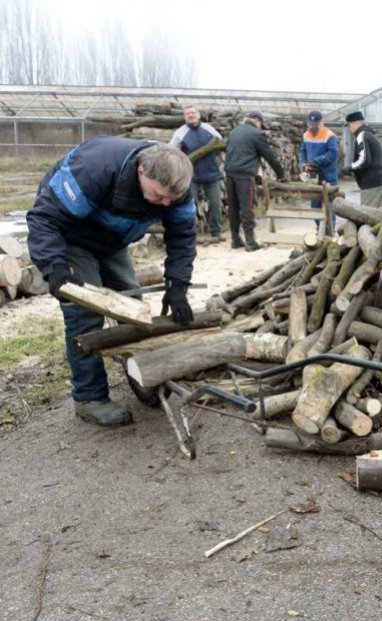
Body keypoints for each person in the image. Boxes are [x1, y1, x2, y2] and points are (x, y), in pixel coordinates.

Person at [26, 138, 198, 426]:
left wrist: (178, 285)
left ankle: (141, 373)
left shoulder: (176, 187)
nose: (167, 203)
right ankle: (89, 397)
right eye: (159, 196)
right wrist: (55, 268)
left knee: (133, 306)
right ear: (142, 171)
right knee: (85, 312)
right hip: (71, 236)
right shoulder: (96, 169)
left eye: (172, 198)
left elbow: (182, 236)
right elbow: (44, 219)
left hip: (113, 240)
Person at [223, 110, 286, 251]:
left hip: (229, 172)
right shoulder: (257, 134)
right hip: (244, 175)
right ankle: (250, 241)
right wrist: (281, 175)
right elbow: (270, 157)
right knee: (247, 207)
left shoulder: (235, 131)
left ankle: (235, 239)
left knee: (233, 207)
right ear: (258, 121)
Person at [169, 105, 225, 241]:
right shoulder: (180, 133)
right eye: (188, 113)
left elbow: (220, 143)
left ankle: (216, 232)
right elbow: (171, 151)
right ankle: (191, 234)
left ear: (199, 115)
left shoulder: (208, 129)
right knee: (189, 206)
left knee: (216, 204)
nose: (191, 115)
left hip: (212, 173)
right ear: (184, 117)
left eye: (193, 113)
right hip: (191, 176)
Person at [299, 110, 339, 235]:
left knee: (328, 207)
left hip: (328, 176)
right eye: (310, 124)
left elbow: (333, 154)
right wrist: (304, 164)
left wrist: (315, 161)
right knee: (315, 206)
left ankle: (329, 233)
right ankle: (319, 229)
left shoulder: (330, 136)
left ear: (322, 122)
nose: (312, 126)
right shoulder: (306, 135)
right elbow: (303, 153)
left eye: (315, 124)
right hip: (313, 177)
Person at [341, 111, 382, 208]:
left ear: (357, 123)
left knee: (368, 212)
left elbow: (365, 160)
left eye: (349, 125)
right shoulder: (369, 134)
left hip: (372, 182)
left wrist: (350, 167)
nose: (349, 128)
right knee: (376, 212)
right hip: (378, 180)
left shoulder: (362, 135)